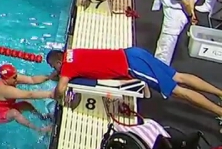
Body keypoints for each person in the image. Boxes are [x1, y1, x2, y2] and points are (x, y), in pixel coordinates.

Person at [47, 47, 222, 129]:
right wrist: (60, 73)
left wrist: (54, 93)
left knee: (177, 90)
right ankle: (219, 93)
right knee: (178, 75)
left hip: (133, 64)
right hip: (133, 52)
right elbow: (78, 64)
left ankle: (219, 111)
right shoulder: (72, 52)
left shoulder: (67, 67)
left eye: (54, 67)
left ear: (58, 62)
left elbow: (61, 89)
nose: (55, 70)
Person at [0, 64, 53, 133]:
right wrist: (50, 94)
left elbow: (32, 80)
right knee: (14, 113)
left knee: (26, 104)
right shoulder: (4, 89)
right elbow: (29, 95)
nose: (16, 78)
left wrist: (50, 76)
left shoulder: (10, 78)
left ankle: (42, 117)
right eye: (14, 77)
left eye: (16, 76)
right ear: (6, 79)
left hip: (6, 105)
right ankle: (40, 130)